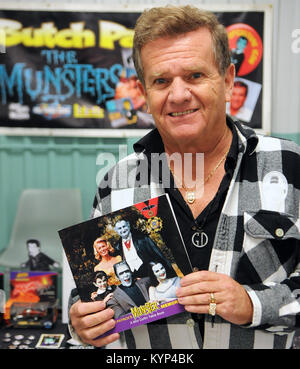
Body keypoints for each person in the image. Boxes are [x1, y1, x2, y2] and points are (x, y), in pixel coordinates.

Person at [69, 5, 300, 349]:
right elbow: (91, 291)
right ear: (144, 93)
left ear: (227, 79)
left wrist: (253, 304)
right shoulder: (115, 182)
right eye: (161, 81)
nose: (178, 95)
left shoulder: (287, 165)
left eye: (195, 76)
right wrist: (82, 321)